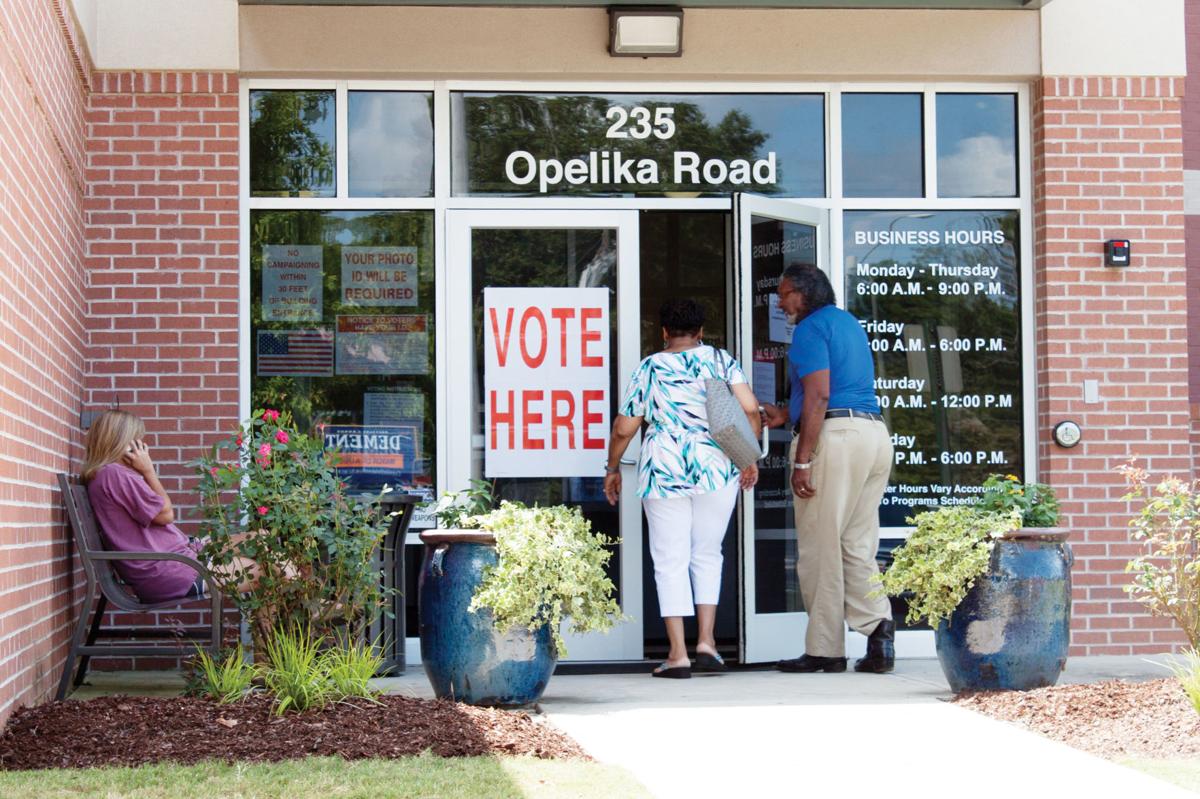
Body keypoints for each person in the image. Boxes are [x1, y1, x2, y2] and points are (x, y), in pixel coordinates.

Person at [604, 299, 760, 679]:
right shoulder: (721, 361)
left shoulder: (650, 367)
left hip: (664, 468)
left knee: (669, 559)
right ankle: (706, 643)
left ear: (663, 332)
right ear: (701, 331)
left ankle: (678, 654)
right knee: (707, 553)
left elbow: (626, 428)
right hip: (716, 466)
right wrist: (747, 457)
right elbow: (752, 409)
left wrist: (612, 468)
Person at [760, 263, 896, 674]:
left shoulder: (809, 328)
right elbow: (831, 391)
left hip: (836, 441)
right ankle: (879, 632)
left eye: (785, 294)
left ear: (804, 293)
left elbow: (820, 396)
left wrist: (802, 459)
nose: (780, 302)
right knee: (856, 543)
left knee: (820, 545)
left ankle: (824, 649)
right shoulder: (848, 323)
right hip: (873, 436)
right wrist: (787, 413)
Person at [80, 410, 266, 603]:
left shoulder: (105, 475)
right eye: (136, 441)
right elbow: (166, 515)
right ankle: (287, 621)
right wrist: (148, 471)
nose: (142, 447)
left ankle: (283, 625)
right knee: (265, 573)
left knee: (261, 538)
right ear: (120, 442)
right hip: (171, 570)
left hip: (178, 557)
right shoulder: (115, 474)